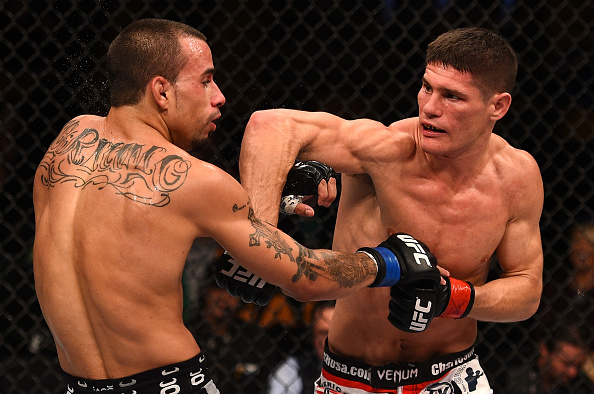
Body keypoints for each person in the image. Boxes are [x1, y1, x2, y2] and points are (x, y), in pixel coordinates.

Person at [32, 18, 443, 394]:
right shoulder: (199, 181)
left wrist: (258, 208)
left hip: (76, 383)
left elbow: (132, 220)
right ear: (161, 91)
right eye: (206, 81)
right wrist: (389, 262)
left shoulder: (70, 141)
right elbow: (305, 277)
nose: (219, 97)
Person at [238, 26, 544, 393]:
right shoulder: (387, 151)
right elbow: (270, 125)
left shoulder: (517, 177)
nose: (430, 107)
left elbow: (527, 289)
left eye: (452, 96)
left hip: (451, 376)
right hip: (350, 378)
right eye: (427, 87)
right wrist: (256, 239)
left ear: (498, 106)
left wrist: (455, 298)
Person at [503, 318, 594, 393]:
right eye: (566, 363)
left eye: (579, 365)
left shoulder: (583, 387)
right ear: (544, 349)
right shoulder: (510, 371)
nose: (573, 372)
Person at [266, 301, 336, 394]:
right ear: (313, 336)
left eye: (337, 334)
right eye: (323, 333)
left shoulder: (360, 367)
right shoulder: (293, 369)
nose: (330, 340)